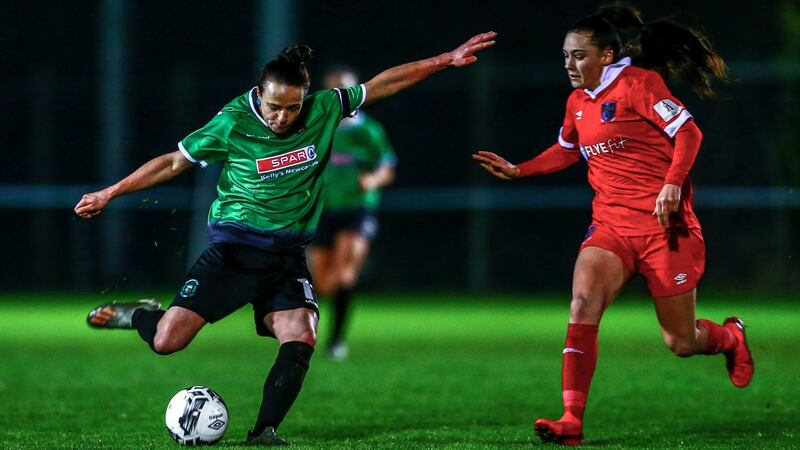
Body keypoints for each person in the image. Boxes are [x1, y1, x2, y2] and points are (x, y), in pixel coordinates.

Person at [75, 31, 495, 446]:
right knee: (167, 342)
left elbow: (382, 84)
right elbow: (171, 162)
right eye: (274, 107)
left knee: (303, 334)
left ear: (306, 97)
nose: (282, 117)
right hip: (235, 251)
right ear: (259, 94)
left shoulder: (325, 108)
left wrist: (444, 60)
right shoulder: (233, 121)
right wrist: (109, 192)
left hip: (287, 256)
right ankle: (140, 315)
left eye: (292, 108)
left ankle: (264, 433)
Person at [473, 6, 752, 446]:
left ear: (606, 55)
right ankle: (571, 419)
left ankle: (730, 337)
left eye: (579, 55)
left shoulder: (639, 85)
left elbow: (689, 133)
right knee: (582, 304)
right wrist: (519, 169)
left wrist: (672, 186)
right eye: (565, 56)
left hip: (666, 229)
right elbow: (567, 150)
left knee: (680, 341)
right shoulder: (577, 101)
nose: (569, 64)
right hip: (611, 228)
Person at [307, 66, 397, 360]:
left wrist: (372, 180)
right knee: (321, 283)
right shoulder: (317, 129)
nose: (342, 97)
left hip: (358, 210)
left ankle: (335, 341)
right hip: (322, 210)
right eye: (335, 91)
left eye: (346, 90)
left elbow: (387, 168)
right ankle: (307, 333)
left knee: (345, 276)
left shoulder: (369, 131)